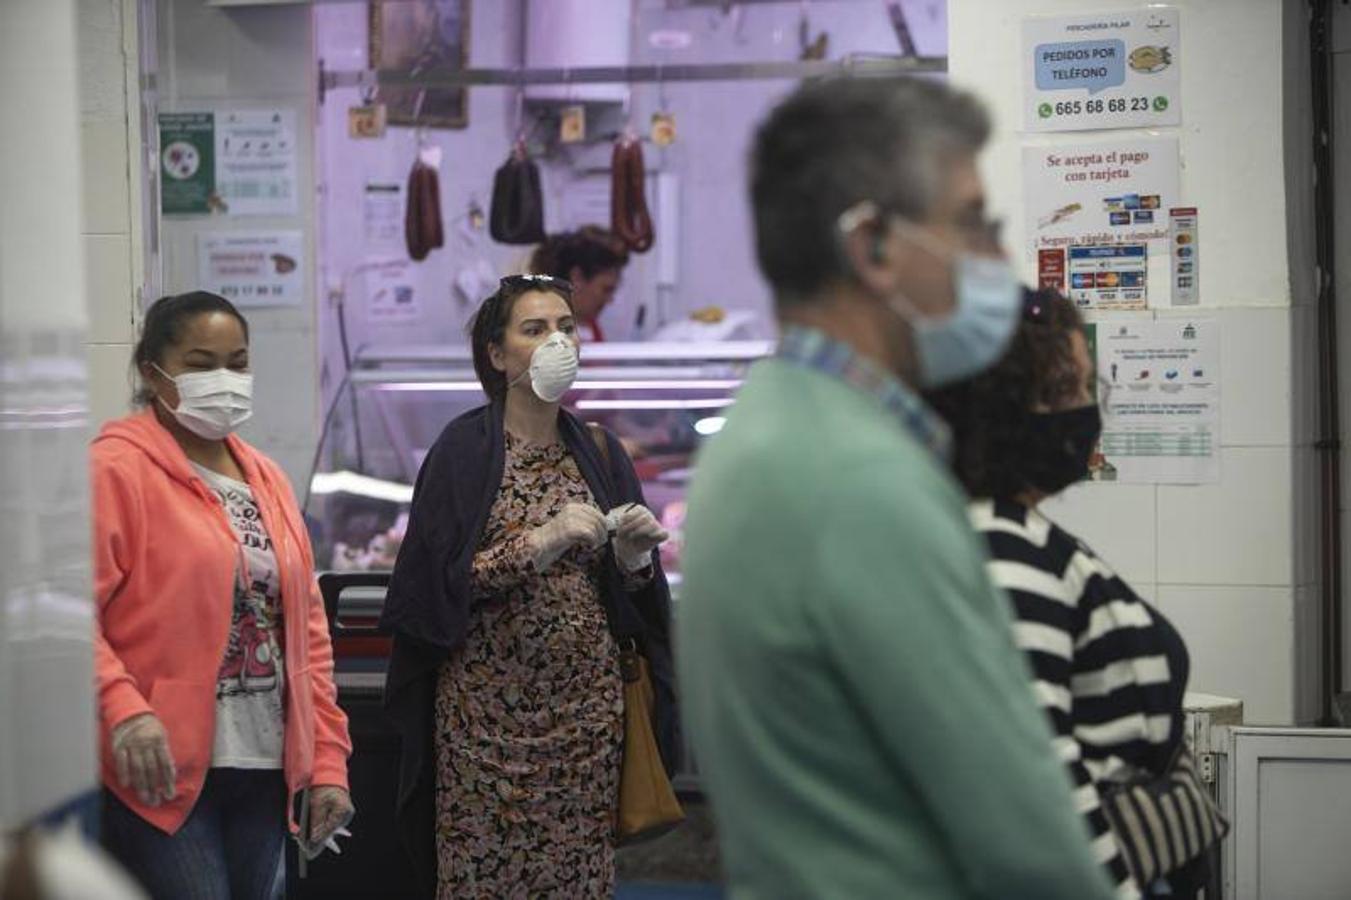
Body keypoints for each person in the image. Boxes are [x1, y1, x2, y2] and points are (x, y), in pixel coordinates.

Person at [677, 77, 1117, 899]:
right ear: (873, 245)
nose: (997, 259)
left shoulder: (766, 430)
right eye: (972, 224)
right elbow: (1032, 853)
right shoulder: (860, 482)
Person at [379, 274, 677, 898]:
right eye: (534, 329)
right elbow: (432, 590)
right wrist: (535, 545)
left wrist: (632, 560)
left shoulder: (598, 449)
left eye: (566, 328)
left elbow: (633, 598)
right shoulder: (463, 451)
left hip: (586, 728)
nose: (556, 342)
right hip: (484, 733)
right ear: (496, 352)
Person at [927, 288, 1204, 898]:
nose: (1085, 411)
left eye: (1085, 388)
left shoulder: (1005, 531)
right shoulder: (1002, 551)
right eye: (1064, 391)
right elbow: (1044, 793)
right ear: (996, 411)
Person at [92, 292, 353, 900]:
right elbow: (73, 612)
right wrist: (125, 712)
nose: (224, 380)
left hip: (264, 765)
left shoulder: (264, 476)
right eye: (201, 362)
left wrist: (328, 764)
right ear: (152, 372)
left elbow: (306, 632)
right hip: (163, 770)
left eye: (236, 363)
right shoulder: (115, 468)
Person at [529, 226, 630, 342]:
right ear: (577, 278)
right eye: (606, 289)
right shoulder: (540, 334)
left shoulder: (589, 327)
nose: (609, 300)